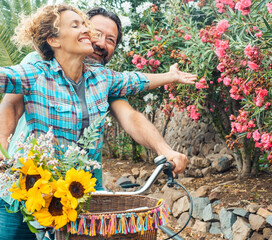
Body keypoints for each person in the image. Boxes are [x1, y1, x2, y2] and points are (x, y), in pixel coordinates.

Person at [0, 4, 196, 239]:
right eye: (86, 29)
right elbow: (9, 98)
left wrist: (171, 77)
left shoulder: (101, 78)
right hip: (27, 188)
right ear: (54, 39)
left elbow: (134, 87)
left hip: (79, 192)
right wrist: (2, 148)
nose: (98, 41)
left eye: (110, 39)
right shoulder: (37, 68)